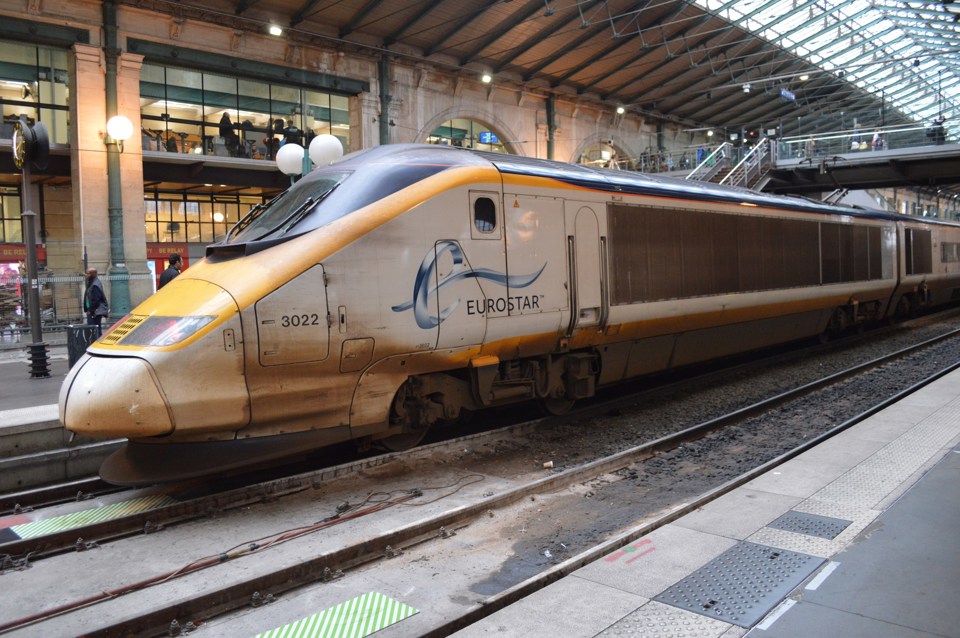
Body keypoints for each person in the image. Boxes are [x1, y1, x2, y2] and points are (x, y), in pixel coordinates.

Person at [84, 268, 109, 336]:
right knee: (95, 329)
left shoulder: (95, 284)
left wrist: (90, 310)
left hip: (95, 312)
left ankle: (96, 343)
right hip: (93, 311)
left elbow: (96, 300)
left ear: (93, 274)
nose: (86, 275)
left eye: (88, 273)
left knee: (95, 329)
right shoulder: (92, 282)